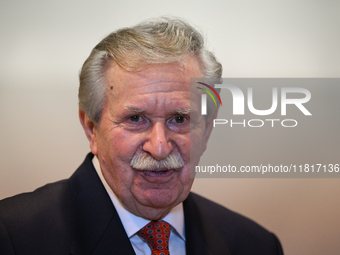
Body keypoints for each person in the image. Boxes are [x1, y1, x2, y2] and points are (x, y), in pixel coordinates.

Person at [0, 17, 283, 255]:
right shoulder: (13, 236)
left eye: (180, 119)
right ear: (91, 128)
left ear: (206, 131)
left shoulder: (254, 245)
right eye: (135, 119)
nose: (159, 147)